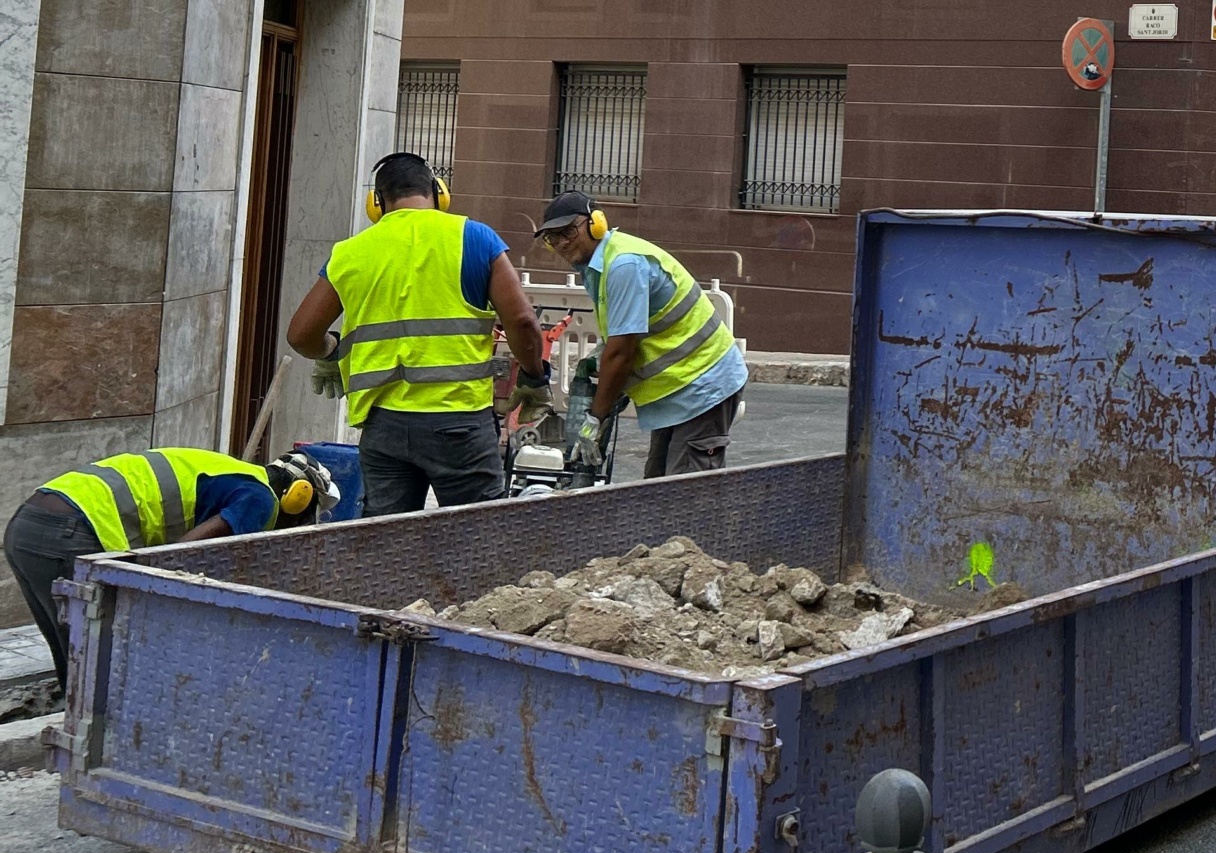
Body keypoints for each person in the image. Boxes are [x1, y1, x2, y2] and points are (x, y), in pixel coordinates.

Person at [285, 153, 546, 515]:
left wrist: (331, 353)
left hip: (384, 425)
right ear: (439, 194)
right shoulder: (474, 238)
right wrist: (534, 378)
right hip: (460, 423)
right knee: (477, 536)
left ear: (376, 203)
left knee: (386, 542)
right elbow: (523, 323)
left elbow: (301, 335)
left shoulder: (350, 252)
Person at [5, 449, 335, 686]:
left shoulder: (231, 472)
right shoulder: (261, 499)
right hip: (73, 530)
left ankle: (81, 750)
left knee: (76, 657)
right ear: (298, 496)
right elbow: (179, 558)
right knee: (108, 658)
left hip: (27, 525)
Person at [532, 191, 746, 478]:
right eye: (552, 237)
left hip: (703, 383)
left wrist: (596, 418)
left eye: (568, 232)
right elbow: (621, 337)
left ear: (597, 224)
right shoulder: (597, 267)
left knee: (687, 497)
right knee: (656, 489)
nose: (561, 243)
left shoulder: (624, 265)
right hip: (678, 388)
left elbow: (622, 354)